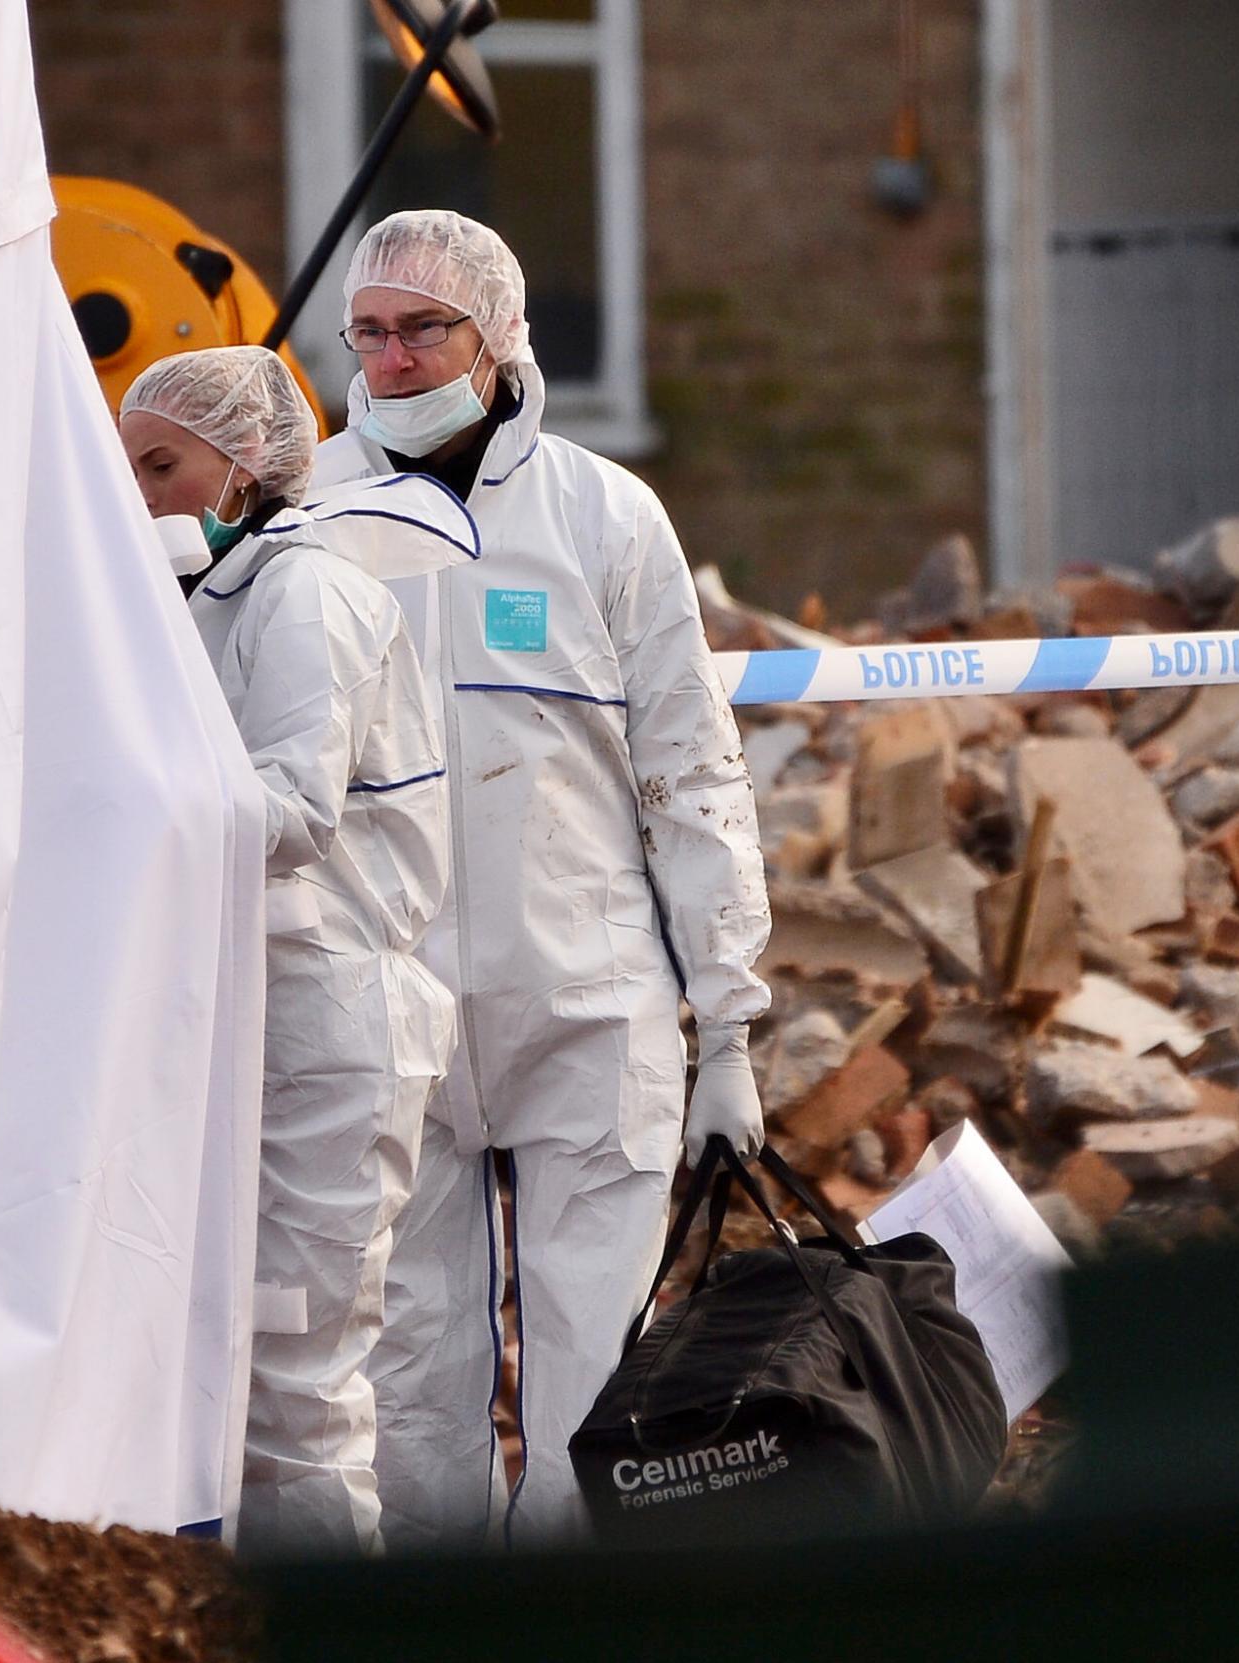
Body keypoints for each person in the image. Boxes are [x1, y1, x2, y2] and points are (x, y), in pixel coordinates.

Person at [309, 210, 773, 1549]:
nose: (393, 359)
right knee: (407, 1385)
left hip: (585, 999)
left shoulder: (600, 513)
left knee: (592, 1381)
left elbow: (689, 773)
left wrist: (728, 1025)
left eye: (425, 329)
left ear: (498, 335)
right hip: (388, 1010)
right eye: (371, 331)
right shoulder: (309, 515)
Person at [119, 345, 474, 1553]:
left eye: (162, 463)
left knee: (297, 1393)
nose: (140, 493)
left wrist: (112, 811)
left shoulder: (305, 594)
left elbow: (291, 808)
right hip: (252, 1025)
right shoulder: (205, 602)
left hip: (331, 1033)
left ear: (248, 462)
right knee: (226, 1382)